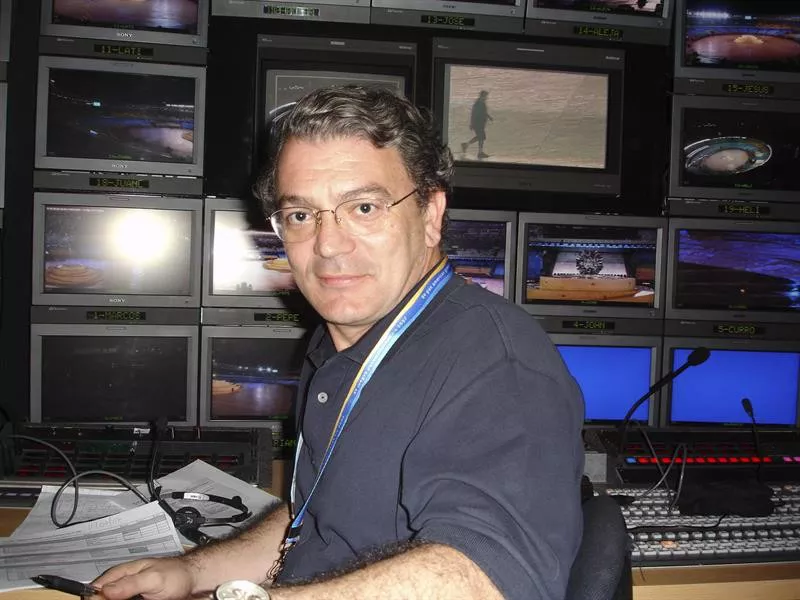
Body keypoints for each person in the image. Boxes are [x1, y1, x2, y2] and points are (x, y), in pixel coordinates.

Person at [92, 86, 584, 600]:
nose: (328, 245)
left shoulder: (496, 362)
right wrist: (192, 572)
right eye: (301, 215)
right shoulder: (337, 343)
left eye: (364, 207)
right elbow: (316, 516)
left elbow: (485, 579)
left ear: (430, 214)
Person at [461, 90, 493, 159]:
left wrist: (489, 117)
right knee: (481, 137)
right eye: (485, 96)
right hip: (478, 124)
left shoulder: (482, 103)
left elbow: (484, 112)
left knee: (481, 137)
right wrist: (472, 124)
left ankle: (466, 145)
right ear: (482, 96)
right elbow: (473, 114)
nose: (486, 98)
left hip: (481, 124)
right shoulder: (478, 104)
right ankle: (479, 153)